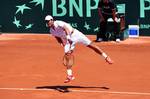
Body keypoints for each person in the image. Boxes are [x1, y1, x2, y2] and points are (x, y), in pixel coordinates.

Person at [45, 15, 113, 83]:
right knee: (67, 55)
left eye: (48, 21)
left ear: (52, 20)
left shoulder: (58, 23)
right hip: (67, 40)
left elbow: (66, 28)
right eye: (46, 21)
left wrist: (68, 37)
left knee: (91, 46)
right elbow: (57, 38)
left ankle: (106, 57)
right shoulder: (51, 31)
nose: (47, 22)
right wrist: (62, 44)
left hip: (75, 34)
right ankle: (70, 75)